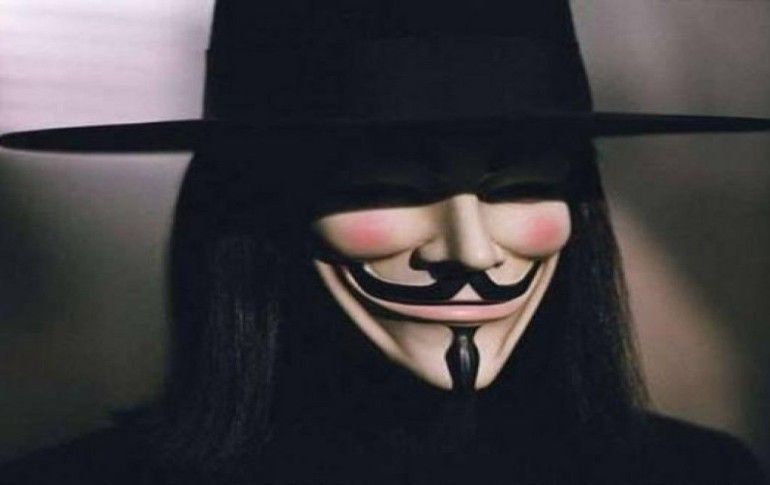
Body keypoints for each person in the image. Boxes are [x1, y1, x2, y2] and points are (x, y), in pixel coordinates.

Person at [1, 1, 768, 484]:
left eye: (521, 186)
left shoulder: (697, 473)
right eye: (386, 190)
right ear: (257, 206)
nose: (470, 251)